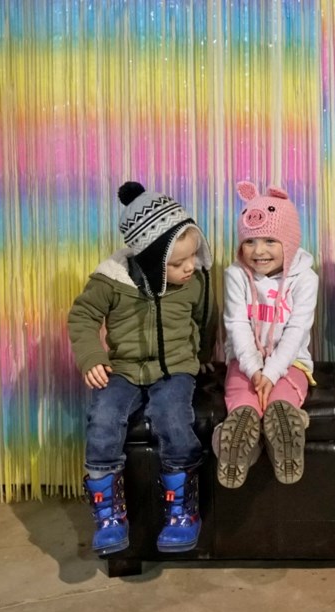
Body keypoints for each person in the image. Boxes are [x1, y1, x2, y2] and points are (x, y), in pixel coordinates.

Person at [67, 181, 213, 556]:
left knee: (173, 417)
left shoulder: (195, 283)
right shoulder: (111, 282)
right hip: (124, 370)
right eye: (178, 263)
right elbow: (82, 317)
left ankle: (182, 509)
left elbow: (204, 321)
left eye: (193, 257)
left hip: (175, 368)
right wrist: (91, 357)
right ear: (149, 259)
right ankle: (108, 514)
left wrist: (205, 356)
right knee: (102, 418)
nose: (190, 267)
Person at [214, 181, 318, 489]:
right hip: (246, 363)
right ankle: (238, 443)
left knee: (280, 402)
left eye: (270, 240)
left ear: (288, 242)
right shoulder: (236, 275)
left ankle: (287, 433)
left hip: (291, 363)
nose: (259, 251)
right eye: (250, 242)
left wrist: (272, 373)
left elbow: (297, 331)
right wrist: (255, 370)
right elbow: (236, 324)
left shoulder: (306, 279)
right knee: (243, 402)